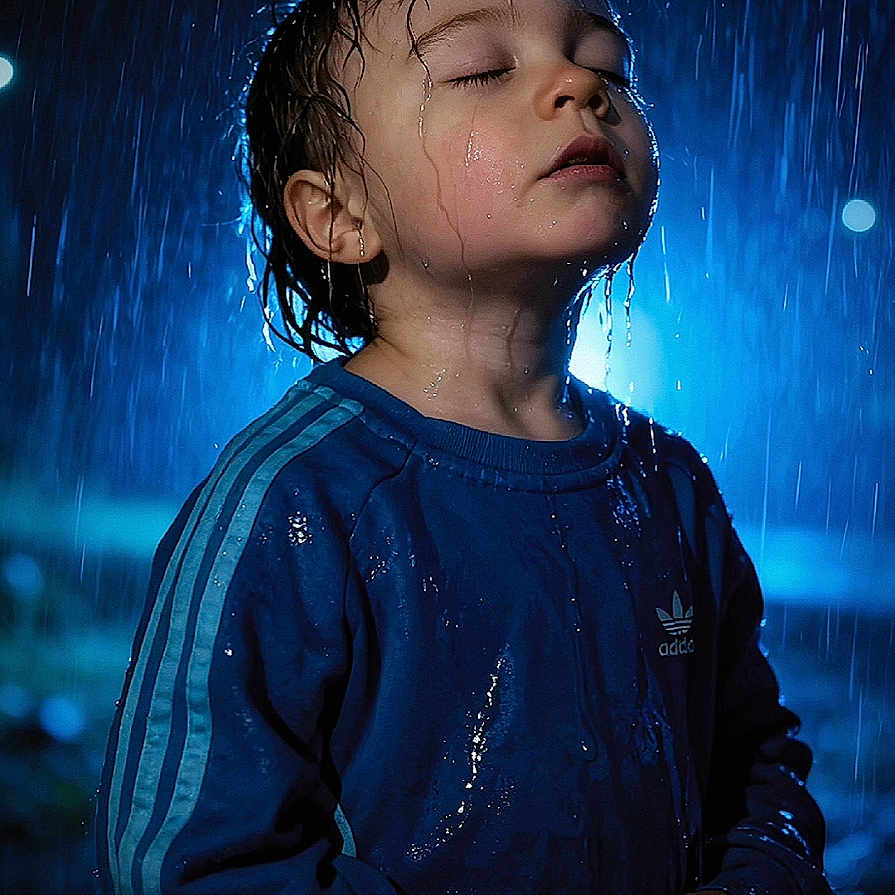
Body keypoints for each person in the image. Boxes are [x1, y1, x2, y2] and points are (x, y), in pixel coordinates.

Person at [93, 0, 835, 892]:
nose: (578, 88)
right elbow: (186, 861)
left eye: (607, 65)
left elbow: (752, 759)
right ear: (337, 213)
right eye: (483, 69)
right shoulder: (298, 499)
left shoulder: (667, 483)